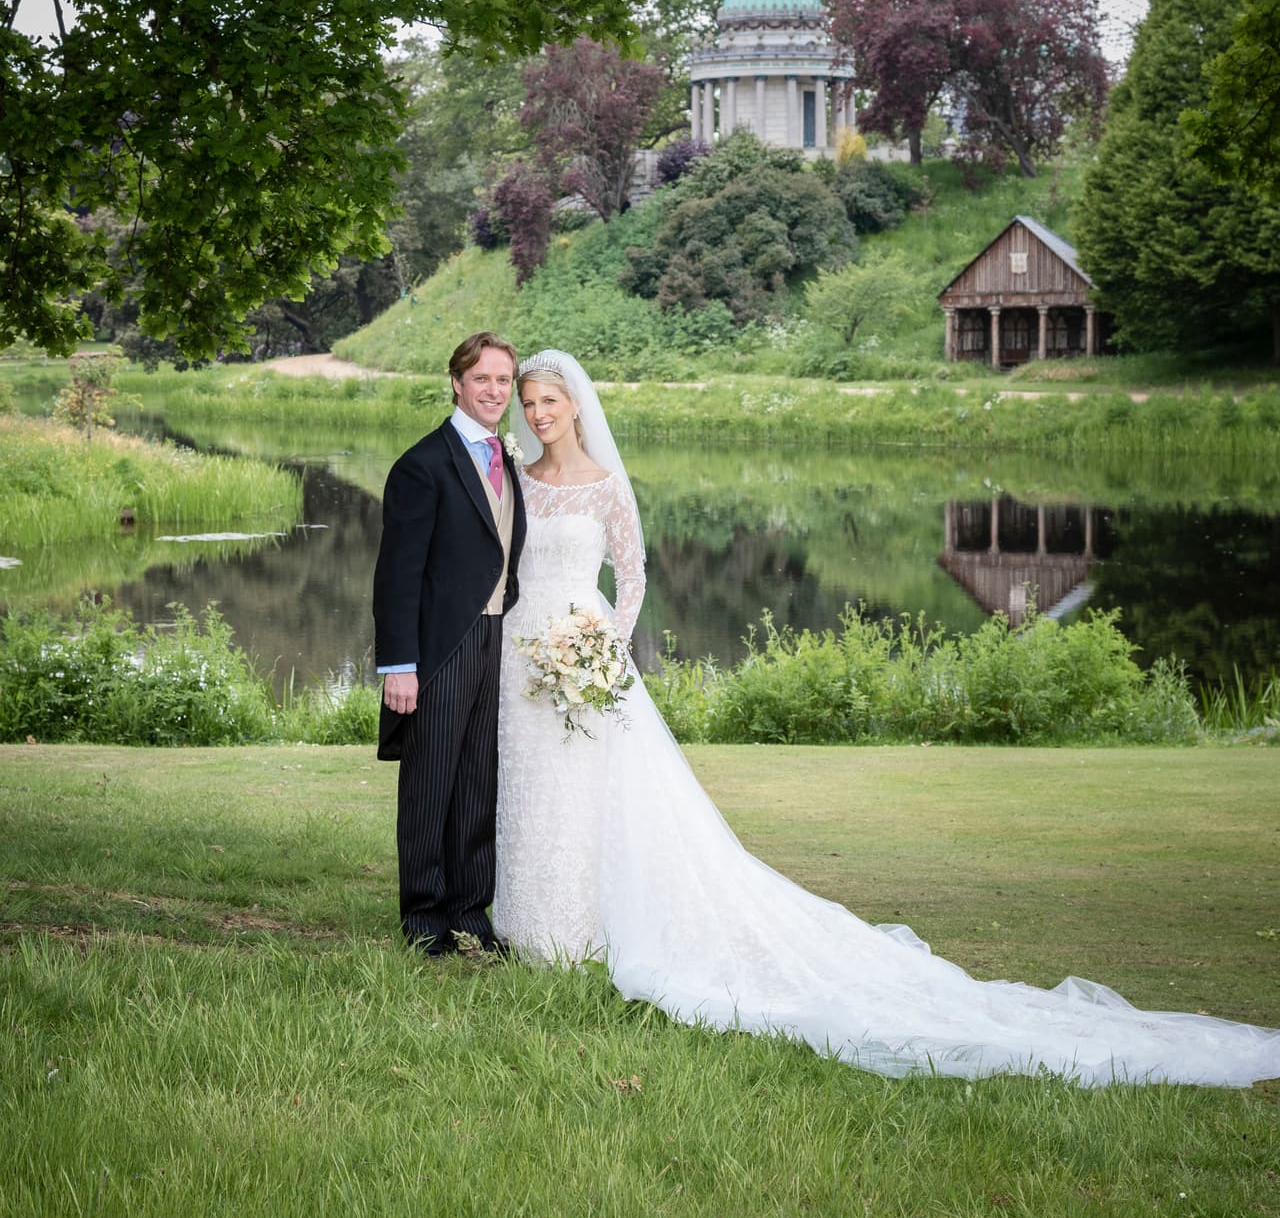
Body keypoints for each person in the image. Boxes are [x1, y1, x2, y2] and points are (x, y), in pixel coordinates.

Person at [494, 349, 1280, 1086]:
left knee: (595, 790)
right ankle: (534, 926)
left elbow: (630, 575)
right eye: (528, 404)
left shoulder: (604, 484)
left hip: (587, 653)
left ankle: (591, 932)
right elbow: (502, 564)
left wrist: (604, 648)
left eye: (548, 401)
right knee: (534, 784)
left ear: (575, 405)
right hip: (522, 650)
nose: (537, 414)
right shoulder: (519, 480)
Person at [372, 332, 527, 954]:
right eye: (483, 379)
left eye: (503, 380)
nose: (494, 391)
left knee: (477, 782)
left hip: (496, 639)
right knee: (431, 782)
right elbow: (397, 574)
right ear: (457, 383)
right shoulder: (421, 464)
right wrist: (400, 665)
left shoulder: (504, 455)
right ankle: (424, 918)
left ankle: (470, 910)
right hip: (442, 648)